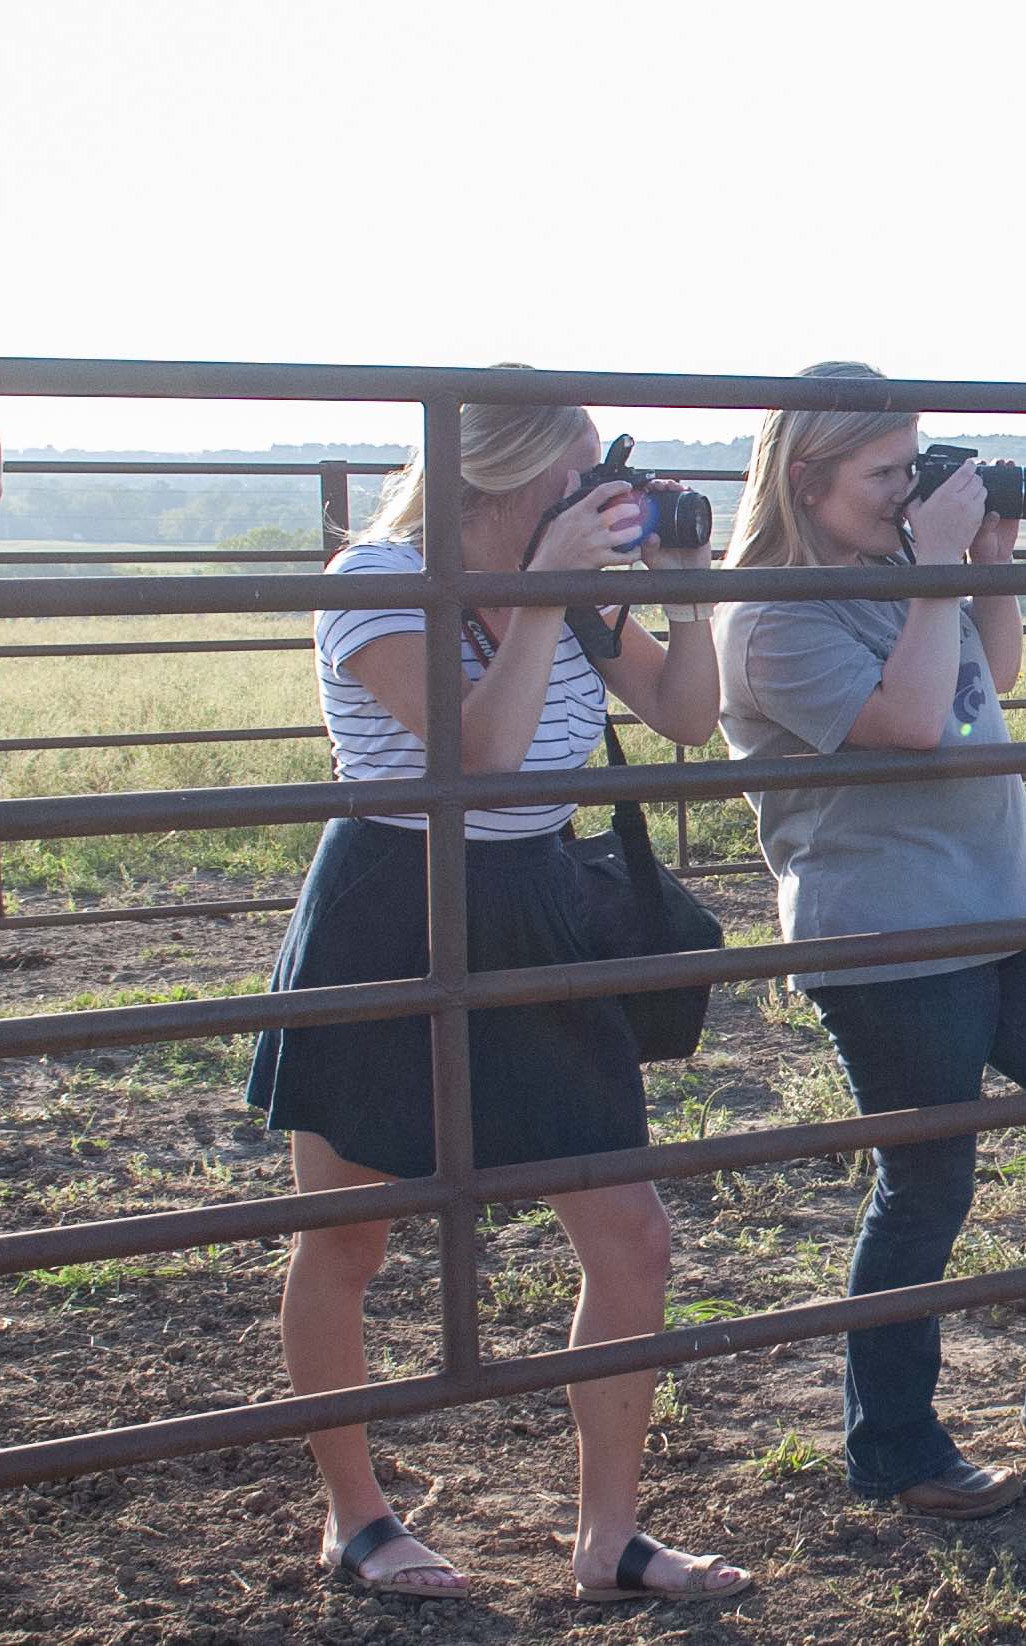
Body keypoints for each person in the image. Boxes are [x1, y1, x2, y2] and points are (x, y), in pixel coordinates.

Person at [246, 391, 748, 1602]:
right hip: (391, 904)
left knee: (631, 1233)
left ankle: (610, 1534)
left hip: (538, 899)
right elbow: (478, 755)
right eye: (580, 476)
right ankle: (355, 1517)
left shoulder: (567, 585)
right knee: (351, 1234)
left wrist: (679, 589)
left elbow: (686, 716)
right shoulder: (376, 575)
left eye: (606, 476)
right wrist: (542, 593)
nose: (601, 499)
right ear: (492, 483)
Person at [718, 362, 1026, 1520]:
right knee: (927, 1187)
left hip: (1009, 911)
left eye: (910, 465)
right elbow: (913, 724)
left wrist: (987, 570)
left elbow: (992, 682)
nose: (903, 490)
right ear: (806, 474)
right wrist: (937, 571)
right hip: (888, 939)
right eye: (884, 472)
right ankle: (893, 1445)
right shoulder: (765, 611)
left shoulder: (898, 570)